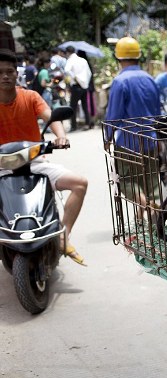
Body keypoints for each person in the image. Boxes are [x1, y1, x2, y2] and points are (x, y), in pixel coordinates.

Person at [0, 48, 88, 265]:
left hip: (34, 162)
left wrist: (61, 136)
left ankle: (62, 236)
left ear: (16, 73)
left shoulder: (30, 97)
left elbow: (51, 117)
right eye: (0, 72)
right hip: (2, 167)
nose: (5, 76)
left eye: (9, 71)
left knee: (80, 184)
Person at [104, 36, 161, 217]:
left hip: (128, 142)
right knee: (152, 182)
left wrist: (107, 137)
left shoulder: (120, 82)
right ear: (138, 56)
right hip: (150, 139)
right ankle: (154, 214)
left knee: (124, 180)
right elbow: (157, 111)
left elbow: (113, 115)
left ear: (118, 58)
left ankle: (144, 204)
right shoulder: (150, 79)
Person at [64, 46, 92, 132]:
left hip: (76, 85)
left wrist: (75, 77)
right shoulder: (83, 60)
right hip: (84, 86)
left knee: (73, 106)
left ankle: (74, 126)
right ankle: (88, 124)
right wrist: (85, 82)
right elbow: (89, 73)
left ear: (68, 52)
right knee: (85, 106)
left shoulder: (70, 60)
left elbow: (66, 70)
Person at [77, 50, 96, 127]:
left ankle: (89, 122)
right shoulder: (87, 63)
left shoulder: (83, 63)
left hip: (86, 86)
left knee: (87, 105)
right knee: (91, 104)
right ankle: (91, 121)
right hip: (91, 87)